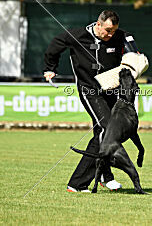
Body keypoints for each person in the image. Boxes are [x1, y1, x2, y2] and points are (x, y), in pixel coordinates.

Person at [43, 10, 140, 192]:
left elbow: (132, 48)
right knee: (107, 129)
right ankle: (77, 183)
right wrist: (50, 68)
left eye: (114, 31)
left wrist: (134, 55)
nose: (111, 35)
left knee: (104, 133)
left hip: (112, 91)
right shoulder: (77, 35)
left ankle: (104, 175)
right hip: (90, 91)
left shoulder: (120, 36)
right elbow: (56, 44)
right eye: (108, 30)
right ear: (98, 24)